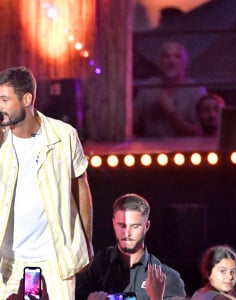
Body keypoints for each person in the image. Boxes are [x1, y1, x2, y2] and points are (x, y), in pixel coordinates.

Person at [0, 66, 93, 299]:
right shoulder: (2, 140)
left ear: (26, 99)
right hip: (9, 261)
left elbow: (81, 188)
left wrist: (86, 244)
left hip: (55, 260)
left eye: (4, 99)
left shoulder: (64, 136)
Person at [75, 193, 186, 300]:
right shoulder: (96, 268)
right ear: (113, 223)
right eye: (122, 225)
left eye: (134, 226)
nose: (127, 233)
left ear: (146, 226)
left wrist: (156, 298)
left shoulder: (167, 278)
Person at [134, 41, 207, 137]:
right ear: (159, 62)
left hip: (186, 150)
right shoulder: (148, 87)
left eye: (177, 57)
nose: (171, 61)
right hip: (151, 149)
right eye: (166, 56)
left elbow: (201, 134)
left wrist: (172, 113)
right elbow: (132, 120)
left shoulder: (196, 91)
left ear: (186, 63)